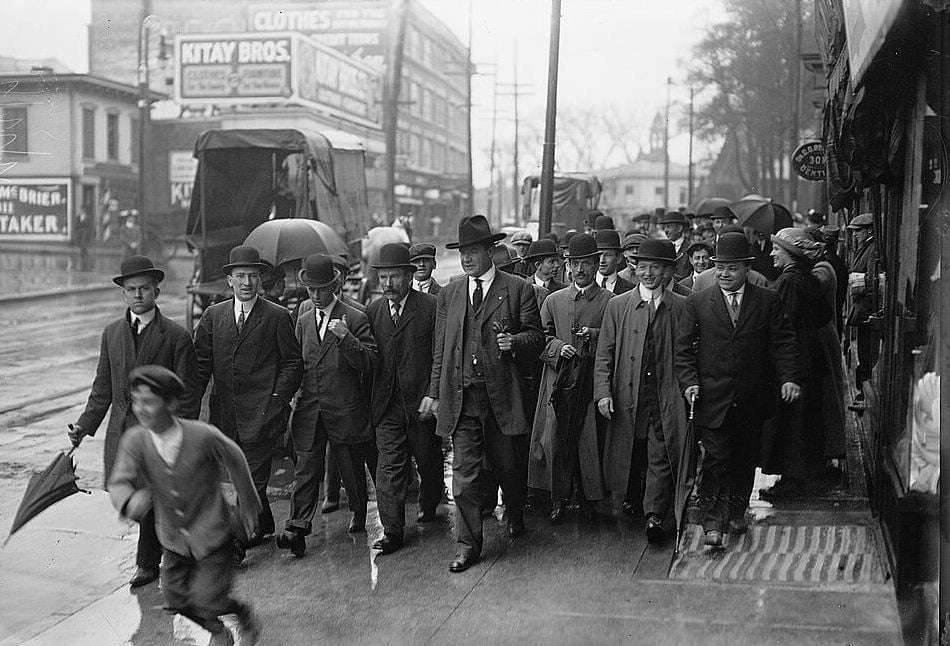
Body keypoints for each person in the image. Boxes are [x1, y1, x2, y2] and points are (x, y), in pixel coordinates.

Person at [68, 255, 199, 589]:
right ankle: (172, 547)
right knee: (134, 498)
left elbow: (187, 392)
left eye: (144, 288)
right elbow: (102, 388)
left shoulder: (175, 336)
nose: (138, 294)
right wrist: (84, 426)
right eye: (131, 289)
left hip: (160, 433)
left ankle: (148, 562)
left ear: (156, 291)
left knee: (154, 495)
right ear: (123, 294)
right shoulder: (112, 334)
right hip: (123, 434)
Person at [423, 215, 544, 573]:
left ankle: (516, 511)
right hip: (463, 398)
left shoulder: (518, 288)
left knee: (508, 466)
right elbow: (441, 349)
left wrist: (515, 342)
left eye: (473, 251)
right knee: (464, 475)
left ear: (491, 251)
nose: (466, 259)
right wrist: (434, 392)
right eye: (462, 252)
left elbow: (536, 338)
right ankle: (467, 545)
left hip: (502, 396)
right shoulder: (450, 292)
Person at [107, 366, 261, 646]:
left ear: (171, 403)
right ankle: (219, 628)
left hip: (212, 533)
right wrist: (129, 500)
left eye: (149, 401)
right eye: (136, 400)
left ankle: (240, 618)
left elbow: (235, 456)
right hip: (173, 538)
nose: (140, 408)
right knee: (175, 597)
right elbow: (119, 480)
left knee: (206, 598)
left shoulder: (201, 435)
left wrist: (248, 500)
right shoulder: (136, 441)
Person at [675, 232, 801, 547]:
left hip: (752, 397)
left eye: (731, 268)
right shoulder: (698, 302)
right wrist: (690, 382)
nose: (724, 274)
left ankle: (736, 510)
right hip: (712, 397)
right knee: (716, 459)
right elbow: (682, 350)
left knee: (744, 458)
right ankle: (713, 523)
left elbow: (783, 342)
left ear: (746, 268)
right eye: (719, 268)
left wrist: (788, 377)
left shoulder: (768, 300)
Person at [193, 245, 303, 558]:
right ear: (229, 280)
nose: (246, 282)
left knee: (250, 480)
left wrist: (277, 399)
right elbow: (201, 365)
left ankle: (239, 543)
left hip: (262, 414)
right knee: (239, 476)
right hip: (225, 416)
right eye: (240, 276)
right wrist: (189, 406)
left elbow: (293, 364)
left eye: (253, 276)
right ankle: (263, 522)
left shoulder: (277, 316)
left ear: (260, 280)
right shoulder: (214, 317)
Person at [279, 254, 378, 555]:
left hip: (344, 407)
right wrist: (294, 394)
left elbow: (369, 363)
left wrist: (346, 338)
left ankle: (359, 512)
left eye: (322, 289)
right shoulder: (304, 318)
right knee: (306, 468)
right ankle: (297, 527)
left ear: (335, 285)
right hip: (310, 407)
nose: (317, 295)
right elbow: (297, 362)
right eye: (311, 289)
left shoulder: (355, 316)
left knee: (350, 466)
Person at [595, 239, 688, 542]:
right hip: (628, 393)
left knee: (660, 451)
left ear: (667, 271)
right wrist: (603, 392)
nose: (648, 273)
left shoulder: (681, 306)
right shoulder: (617, 306)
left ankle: (655, 515)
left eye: (656, 267)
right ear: (634, 269)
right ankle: (633, 499)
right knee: (631, 449)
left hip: (664, 396)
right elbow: (605, 353)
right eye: (642, 267)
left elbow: (688, 353)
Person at [365, 244, 442, 555]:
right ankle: (392, 531)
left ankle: (430, 499)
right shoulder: (372, 312)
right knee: (389, 469)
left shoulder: (432, 306)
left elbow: (440, 356)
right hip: (387, 407)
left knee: (428, 461)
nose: (388, 284)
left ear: (409, 277)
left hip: (421, 406)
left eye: (394, 277)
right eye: (383, 277)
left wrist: (433, 394)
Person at [528, 233, 610, 524]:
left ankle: (589, 498)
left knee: (588, 441)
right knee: (555, 439)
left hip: (590, 381)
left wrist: (595, 337)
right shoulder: (553, 300)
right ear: (568, 265)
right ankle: (558, 498)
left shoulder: (610, 302)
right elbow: (538, 337)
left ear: (596, 264)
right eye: (575, 264)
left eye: (586, 264)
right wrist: (556, 347)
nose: (580, 270)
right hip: (556, 382)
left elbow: (617, 341)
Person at [760, 228, 834, 500]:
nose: (771, 253)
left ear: (790, 253)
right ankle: (801, 476)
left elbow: (783, 326)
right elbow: (823, 315)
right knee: (804, 422)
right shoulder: (808, 277)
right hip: (809, 362)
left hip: (793, 365)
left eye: (777, 249)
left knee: (791, 424)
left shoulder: (789, 281)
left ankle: (793, 481)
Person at [845, 213, 879, 404]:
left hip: (867, 310)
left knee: (867, 353)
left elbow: (873, 281)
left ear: (869, 230)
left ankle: (864, 395)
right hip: (862, 308)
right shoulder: (865, 247)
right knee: (863, 351)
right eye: (853, 231)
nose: (855, 234)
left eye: (858, 231)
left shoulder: (873, 249)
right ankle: (862, 393)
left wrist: (857, 280)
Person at [595, 229, 635, 295]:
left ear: (619, 258)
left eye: (608, 255)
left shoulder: (630, 290)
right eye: (599, 255)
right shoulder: (586, 286)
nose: (602, 260)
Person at [657, 211, 692, 281]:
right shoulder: (663, 248)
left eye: (669, 227)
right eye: (665, 227)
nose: (666, 230)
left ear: (679, 228)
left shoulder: (690, 248)